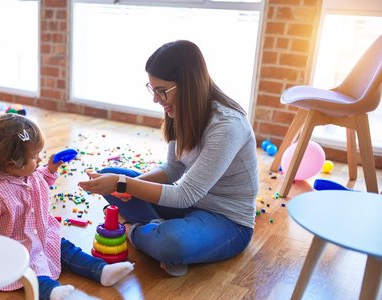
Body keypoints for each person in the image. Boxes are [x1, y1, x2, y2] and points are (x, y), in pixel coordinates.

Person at [78, 40, 258, 277]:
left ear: (189, 85)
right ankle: (156, 232)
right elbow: (173, 168)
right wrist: (124, 187)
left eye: (161, 90)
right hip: (187, 207)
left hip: (227, 221)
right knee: (111, 175)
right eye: (152, 89)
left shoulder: (227, 125)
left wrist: (124, 184)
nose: (156, 99)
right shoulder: (181, 110)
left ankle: (134, 229)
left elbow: (185, 195)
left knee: (171, 244)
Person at [0, 113, 134, 300]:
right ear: (13, 163)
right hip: (18, 247)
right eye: (34, 156)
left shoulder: (30, 173)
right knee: (32, 272)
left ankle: (101, 271)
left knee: (68, 250)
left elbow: (41, 179)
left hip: (44, 234)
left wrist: (51, 169)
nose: (39, 159)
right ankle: (52, 292)